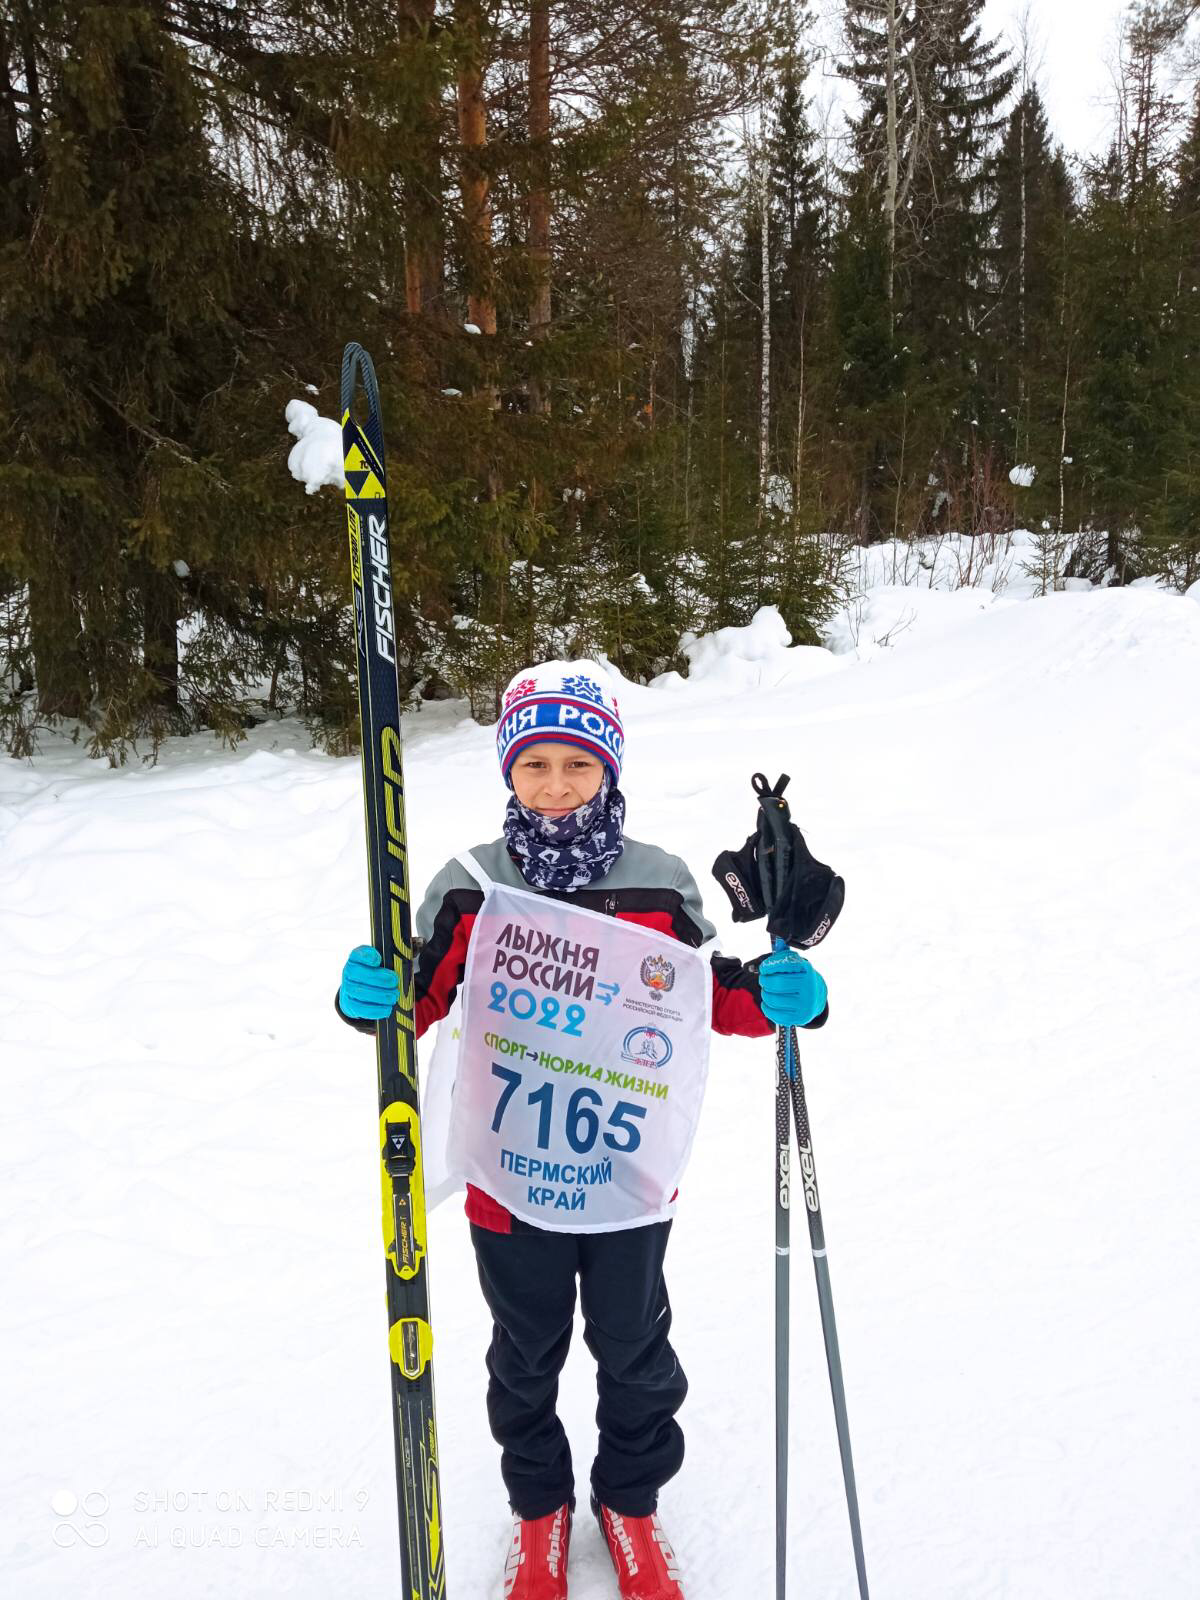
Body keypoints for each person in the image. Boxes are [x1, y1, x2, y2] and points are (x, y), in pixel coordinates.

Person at [336, 661, 829, 1600]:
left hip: (623, 1179)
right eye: (535, 765)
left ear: (608, 767)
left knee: (635, 1349)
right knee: (524, 1357)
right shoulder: (470, 884)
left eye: (577, 764)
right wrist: (375, 997)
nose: (556, 786)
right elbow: (420, 993)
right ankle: (540, 1517)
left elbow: (699, 996)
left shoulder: (660, 882)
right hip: (509, 1177)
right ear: (508, 772)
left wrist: (773, 997)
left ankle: (629, 1505)